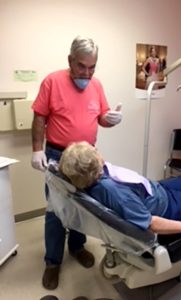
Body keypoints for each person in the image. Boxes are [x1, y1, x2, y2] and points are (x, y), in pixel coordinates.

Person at [31, 36, 123, 290]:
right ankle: (52, 262)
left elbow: (100, 117)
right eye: (82, 66)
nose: (87, 72)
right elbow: (40, 118)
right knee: (56, 209)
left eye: (92, 67)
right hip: (58, 156)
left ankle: (77, 247)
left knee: (84, 206)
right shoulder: (52, 81)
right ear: (70, 60)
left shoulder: (96, 85)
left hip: (87, 157)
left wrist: (110, 119)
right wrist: (37, 150)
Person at [59, 141, 181, 242]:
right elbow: (149, 222)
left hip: (158, 190)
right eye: (94, 151)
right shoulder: (115, 193)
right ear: (94, 167)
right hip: (171, 208)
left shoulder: (94, 174)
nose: (97, 150)